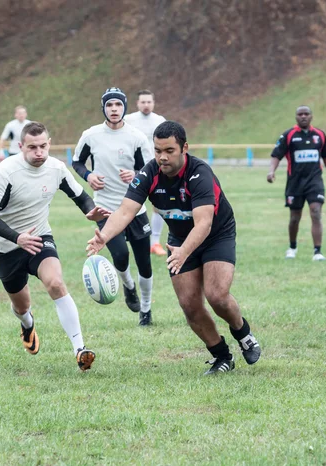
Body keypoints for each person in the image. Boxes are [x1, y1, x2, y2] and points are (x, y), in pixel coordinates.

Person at [86, 121, 261, 375]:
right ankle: (221, 356)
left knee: (217, 295)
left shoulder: (199, 174)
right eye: (157, 151)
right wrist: (103, 236)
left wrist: (184, 252)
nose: (162, 157)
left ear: (184, 148)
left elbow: (204, 223)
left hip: (216, 235)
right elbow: (125, 211)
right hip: (179, 239)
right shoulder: (148, 174)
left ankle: (243, 334)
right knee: (189, 305)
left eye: (169, 150)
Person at [0, 121, 109, 370]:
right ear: (21, 146)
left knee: (56, 283)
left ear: (49, 144)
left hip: (40, 237)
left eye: (43, 146)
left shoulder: (56, 168)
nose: (39, 152)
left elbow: (80, 196)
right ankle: (27, 324)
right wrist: (17, 237)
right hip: (6, 247)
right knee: (21, 306)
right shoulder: (5, 172)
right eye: (32, 147)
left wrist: (89, 211)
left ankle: (80, 349)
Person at [73, 87, 155, 326]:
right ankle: (129, 287)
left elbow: (151, 170)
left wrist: (136, 175)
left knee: (145, 264)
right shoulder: (91, 135)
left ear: (124, 107)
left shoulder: (137, 137)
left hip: (135, 208)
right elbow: (77, 162)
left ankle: (146, 310)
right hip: (106, 207)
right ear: (104, 108)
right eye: (110, 105)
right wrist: (88, 176)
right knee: (120, 255)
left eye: (118, 105)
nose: (114, 109)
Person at [267, 106, 326, 261]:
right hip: (295, 183)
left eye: (306, 114)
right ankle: (292, 247)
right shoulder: (289, 135)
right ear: (296, 117)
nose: (303, 117)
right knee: (295, 217)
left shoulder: (319, 135)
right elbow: (276, 155)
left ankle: (317, 251)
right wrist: (271, 171)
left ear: (311, 116)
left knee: (315, 212)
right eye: (300, 114)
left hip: (315, 182)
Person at [125, 90, 167, 256]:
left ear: (153, 102)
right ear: (137, 103)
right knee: (130, 204)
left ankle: (155, 242)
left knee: (159, 204)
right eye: (143, 102)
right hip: (133, 171)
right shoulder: (128, 121)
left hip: (156, 168)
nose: (146, 105)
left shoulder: (160, 121)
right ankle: (126, 238)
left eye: (149, 102)